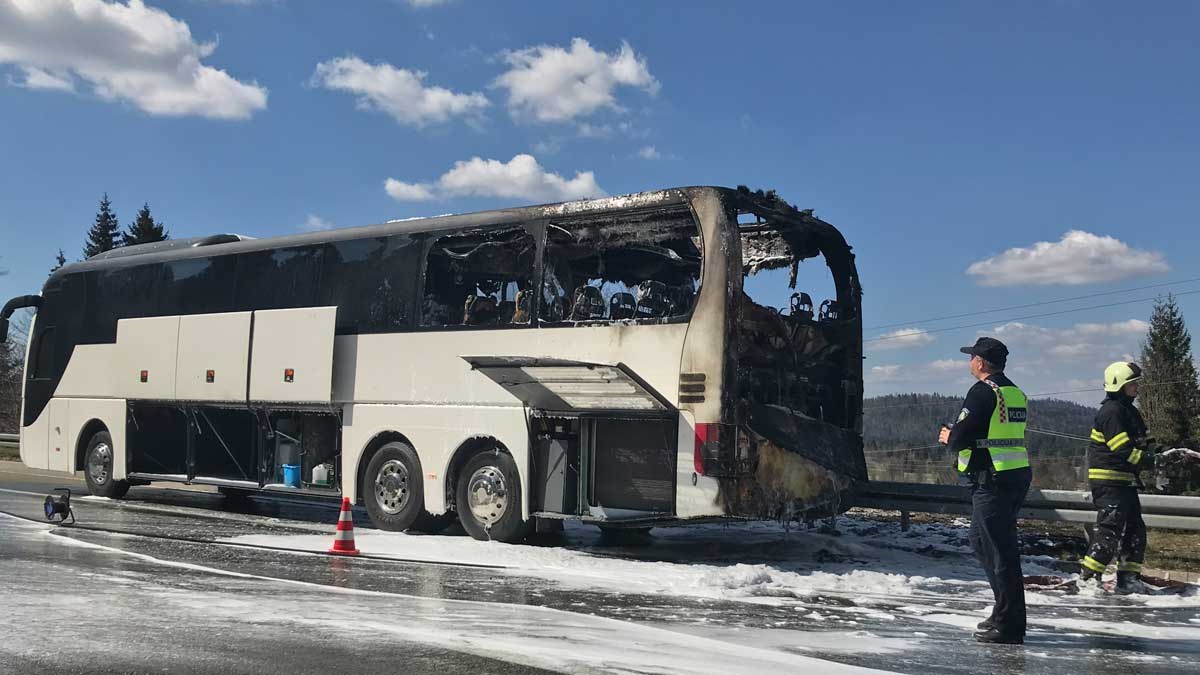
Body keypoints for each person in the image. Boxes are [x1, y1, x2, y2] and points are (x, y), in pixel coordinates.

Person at [937, 337, 1032, 644]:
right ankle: (1002, 612)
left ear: (979, 362)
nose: (969, 363)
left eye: (971, 358)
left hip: (993, 480)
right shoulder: (1014, 392)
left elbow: (961, 437)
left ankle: (1010, 625)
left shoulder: (982, 392)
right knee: (981, 542)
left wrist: (949, 435)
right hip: (1012, 476)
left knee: (999, 552)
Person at [1080, 361, 1160, 594]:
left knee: (1135, 529)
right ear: (1119, 386)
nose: (1136, 388)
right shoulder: (1111, 412)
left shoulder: (1130, 411)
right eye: (1132, 384)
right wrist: (1151, 461)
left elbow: (1146, 441)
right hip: (1108, 481)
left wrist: (1164, 454)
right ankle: (1088, 577)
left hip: (1125, 481)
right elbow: (1122, 448)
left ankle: (1128, 577)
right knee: (1109, 529)